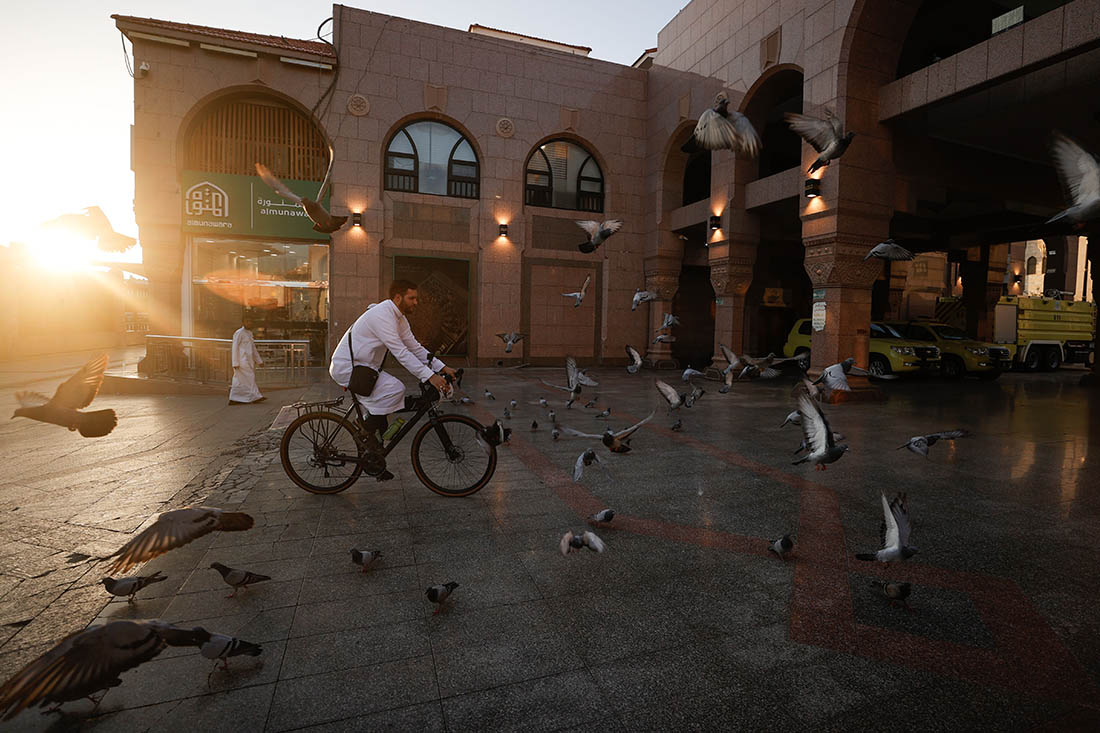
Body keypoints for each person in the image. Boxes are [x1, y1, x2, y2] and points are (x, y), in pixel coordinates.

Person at [329, 280, 458, 480]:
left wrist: (441, 367)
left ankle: (372, 440)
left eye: (417, 298)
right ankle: (366, 431)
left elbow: (415, 348)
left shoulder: (400, 319)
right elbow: (401, 352)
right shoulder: (382, 315)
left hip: (365, 369)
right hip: (349, 368)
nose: (416, 302)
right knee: (394, 388)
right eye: (412, 298)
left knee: (391, 393)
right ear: (398, 297)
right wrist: (429, 376)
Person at [229, 316, 265, 405]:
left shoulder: (249, 333)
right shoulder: (239, 333)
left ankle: (234, 398)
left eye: (250, 321)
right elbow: (235, 348)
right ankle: (256, 396)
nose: (249, 323)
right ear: (243, 322)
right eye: (247, 321)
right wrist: (235, 362)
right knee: (250, 377)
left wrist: (259, 361)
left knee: (239, 381)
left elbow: (253, 349)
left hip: (248, 361)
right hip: (241, 361)